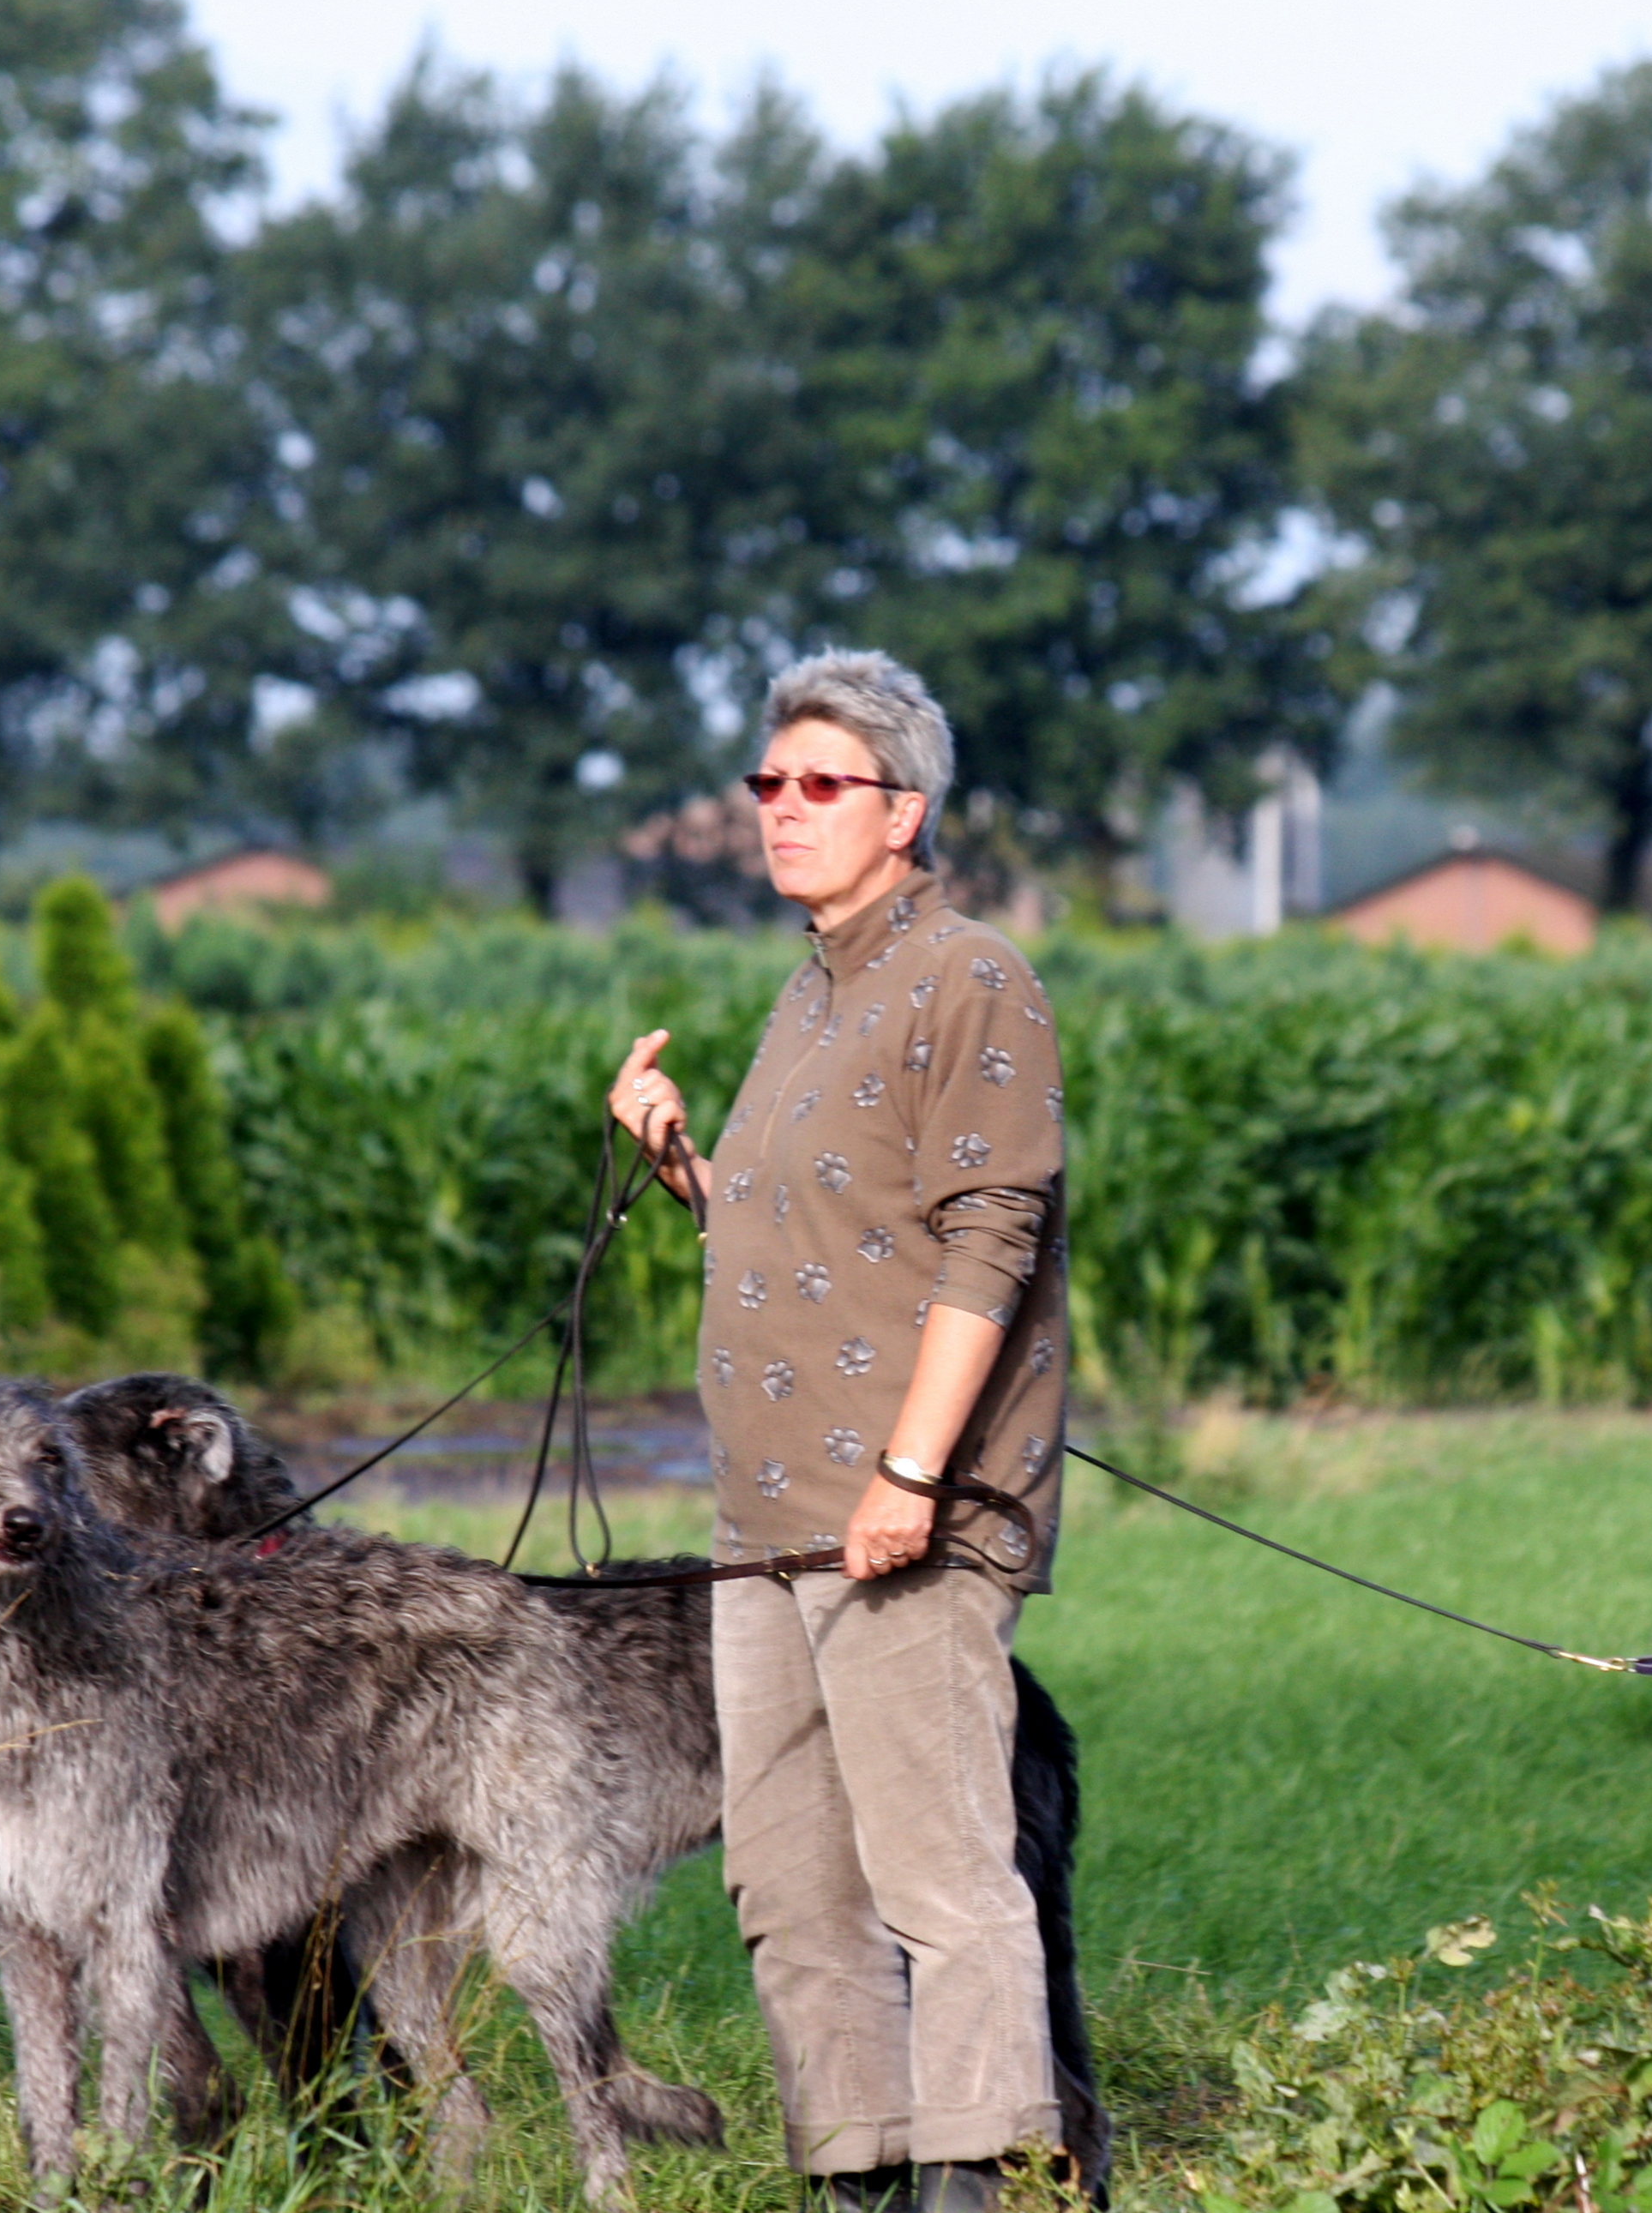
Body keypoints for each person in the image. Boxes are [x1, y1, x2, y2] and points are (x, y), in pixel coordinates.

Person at [610, 652, 1066, 2213]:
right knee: (789, 1884)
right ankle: (852, 2175)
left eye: (822, 785)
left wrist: (912, 1475)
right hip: (763, 1521)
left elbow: (988, 1242)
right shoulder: (812, 988)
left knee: (939, 1875)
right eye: (769, 783)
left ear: (905, 812)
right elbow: (812, 1240)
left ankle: (974, 2175)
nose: (783, 809)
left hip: (899, 1511)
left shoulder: (969, 974)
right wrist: (683, 1168)